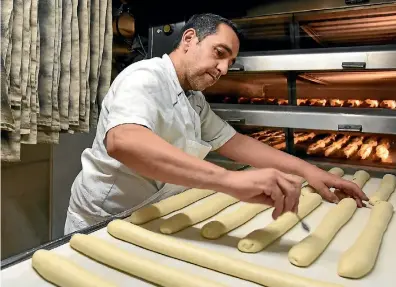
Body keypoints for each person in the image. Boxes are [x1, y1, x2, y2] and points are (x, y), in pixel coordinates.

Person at [64, 13, 368, 234]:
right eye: (219, 54)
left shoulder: (193, 98)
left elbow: (234, 142)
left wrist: (308, 171)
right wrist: (230, 181)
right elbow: (124, 141)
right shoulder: (145, 77)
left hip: (149, 214)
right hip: (103, 220)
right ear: (189, 39)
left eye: (229, 63)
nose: (223, 68)